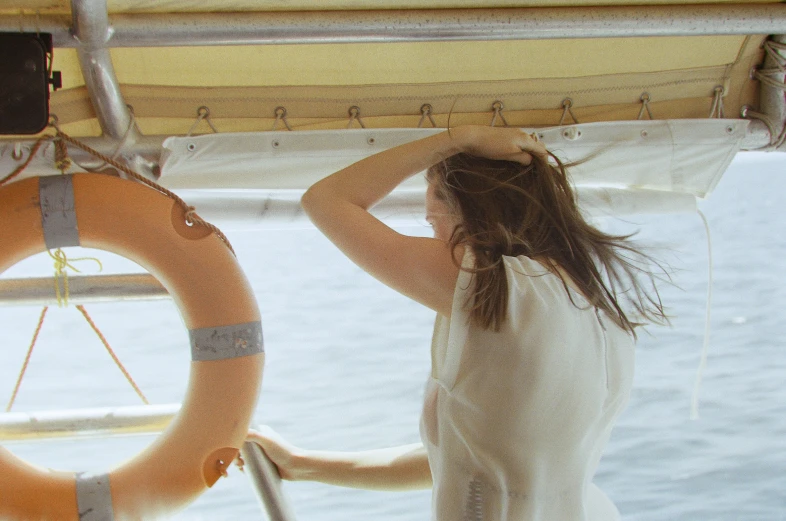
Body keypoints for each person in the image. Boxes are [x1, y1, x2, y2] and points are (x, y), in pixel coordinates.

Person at [247, 125, 667, 521]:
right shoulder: (590, 302)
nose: (433, 239)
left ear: (471, 211)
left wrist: (459, 138)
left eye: (433, 221)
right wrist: (302, 465)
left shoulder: (497, 284)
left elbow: (327, 199)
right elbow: (462, 463)